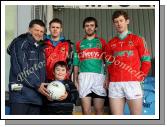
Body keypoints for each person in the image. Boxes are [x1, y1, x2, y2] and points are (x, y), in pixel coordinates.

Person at [105, 10, 151, 115]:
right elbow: (108, 64)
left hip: (133, 82)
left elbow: (146, 61)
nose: (119, 23)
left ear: (127, 21)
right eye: (116, 21)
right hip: (115, 84)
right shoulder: (110, 43)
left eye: (121, 20)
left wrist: (140, 76)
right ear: (113, 24)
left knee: (135, 118)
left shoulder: (138, 39)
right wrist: (108, 78)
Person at [7, 19, 50, 115]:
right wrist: (38, 85)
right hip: (20, 97)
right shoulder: (20, 43)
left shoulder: (40, 48)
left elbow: (41, 73)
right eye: (36, 30)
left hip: (36, 98)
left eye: (41, 31)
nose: (39, 33)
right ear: (29, 30)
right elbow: (21, 70)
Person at [73, 17, 108, 115]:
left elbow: (107, 62)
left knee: (99, 110)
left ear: (96, 28)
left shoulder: (102, 42)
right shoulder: (79, 44)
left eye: (92, 25)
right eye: (87, 26)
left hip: (99, 77)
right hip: (84, 77)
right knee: (86, 111)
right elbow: (76, 63)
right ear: (84, 28)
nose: (89, 28)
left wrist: (107, 78)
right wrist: (75, 79)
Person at [44, 18, 71, 82]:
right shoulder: (42, 44)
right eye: (53, 27)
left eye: (57, 27)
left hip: (62, 80)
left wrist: (66, 77)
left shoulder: (68, 45)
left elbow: (70, 63)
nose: (55, 29)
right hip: (45, 79)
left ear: (61, 29)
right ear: (49, 28)